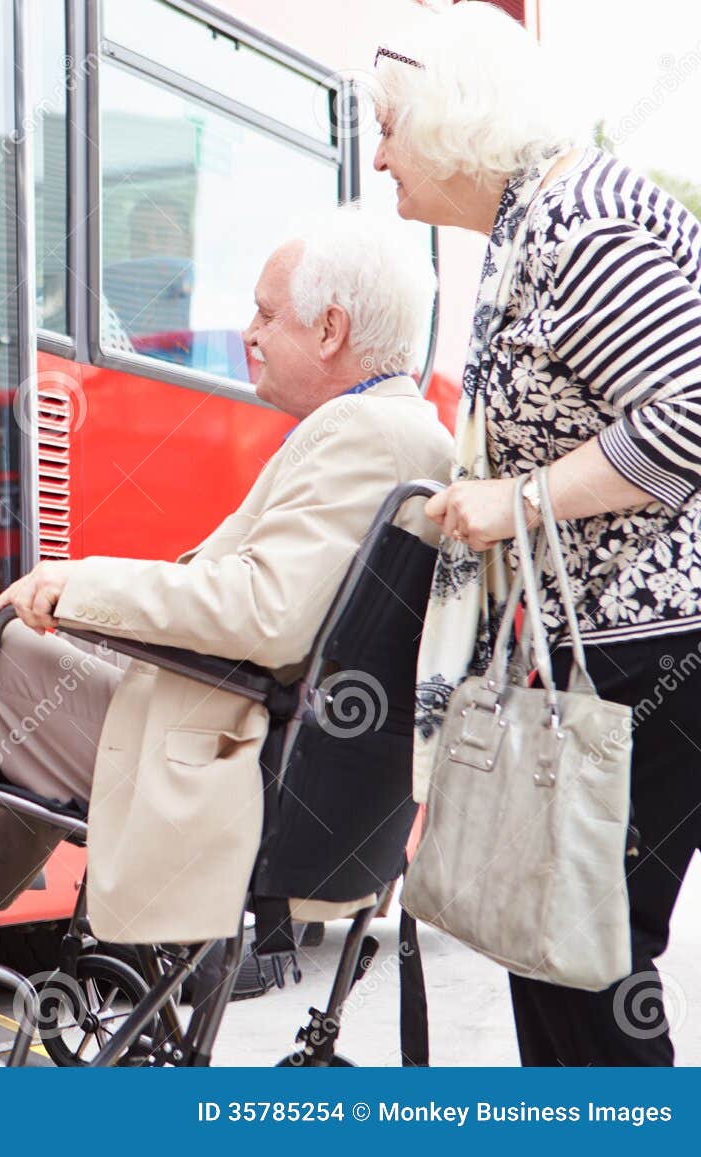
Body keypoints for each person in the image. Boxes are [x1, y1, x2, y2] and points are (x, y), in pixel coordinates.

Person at [0, 207, 453, 977]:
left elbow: (264, 614)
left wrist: (79, 582)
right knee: (46, 657)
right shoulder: (409, 434)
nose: (250, 333)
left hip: (236, 774)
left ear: (331, 329)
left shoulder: (359, 433)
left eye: (268, 314)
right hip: (289, 769)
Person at [375, 3, 701, 1066]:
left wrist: (517, 501)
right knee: (552, 941)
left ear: (450, 123)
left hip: (652, 646)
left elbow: (689, 411)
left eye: (389, 128)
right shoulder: (531, 225)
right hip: (602, 647)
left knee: (586, 949)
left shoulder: (582, 223)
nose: (377, 155)